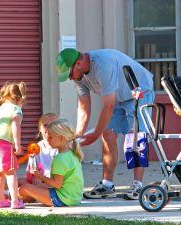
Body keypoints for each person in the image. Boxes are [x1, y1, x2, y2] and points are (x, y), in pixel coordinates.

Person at [55, 48, 155, 200]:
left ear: (79, 63)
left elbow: (108, 106)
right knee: (107, 134)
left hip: (139, 93)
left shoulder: (102, 65)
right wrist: (79, 133)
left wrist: (94, 134)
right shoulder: (78, 76)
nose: (69, 78)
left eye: (69, 74)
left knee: (135, 137)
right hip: (117, 98)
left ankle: (138, 185)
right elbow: (84, 105)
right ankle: (107, 184)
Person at [18, 119, 84, 207]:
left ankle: (10, 197)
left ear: (61, 138)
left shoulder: (60, 158)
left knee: (25, 188)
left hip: (62, 199)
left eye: (50, 137)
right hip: (74, 198)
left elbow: (56, 184)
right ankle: (15, 199)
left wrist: (39, 175)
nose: (47, 140)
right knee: (39, 187)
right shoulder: (72, 153)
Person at [0, 81, 26, 209]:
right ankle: (15, 201)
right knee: (11, 172)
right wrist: (18, 144)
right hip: (2, 142)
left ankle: (0, 200)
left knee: (0, 172)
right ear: (19, 98)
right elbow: (15, 126)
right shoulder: (16, 109)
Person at [18, 113, 59, 202]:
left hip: (52, 181)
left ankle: (10, 195)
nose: (48, 128)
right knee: (18, 181)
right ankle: (5, 193)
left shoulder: (60, 147)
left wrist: (42, 179)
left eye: (52, 125)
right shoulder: (36, 147)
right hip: (39, 180)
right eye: (45, 125)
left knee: (28, 188)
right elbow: (32, 167)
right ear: (39, 128)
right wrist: (35, 176)